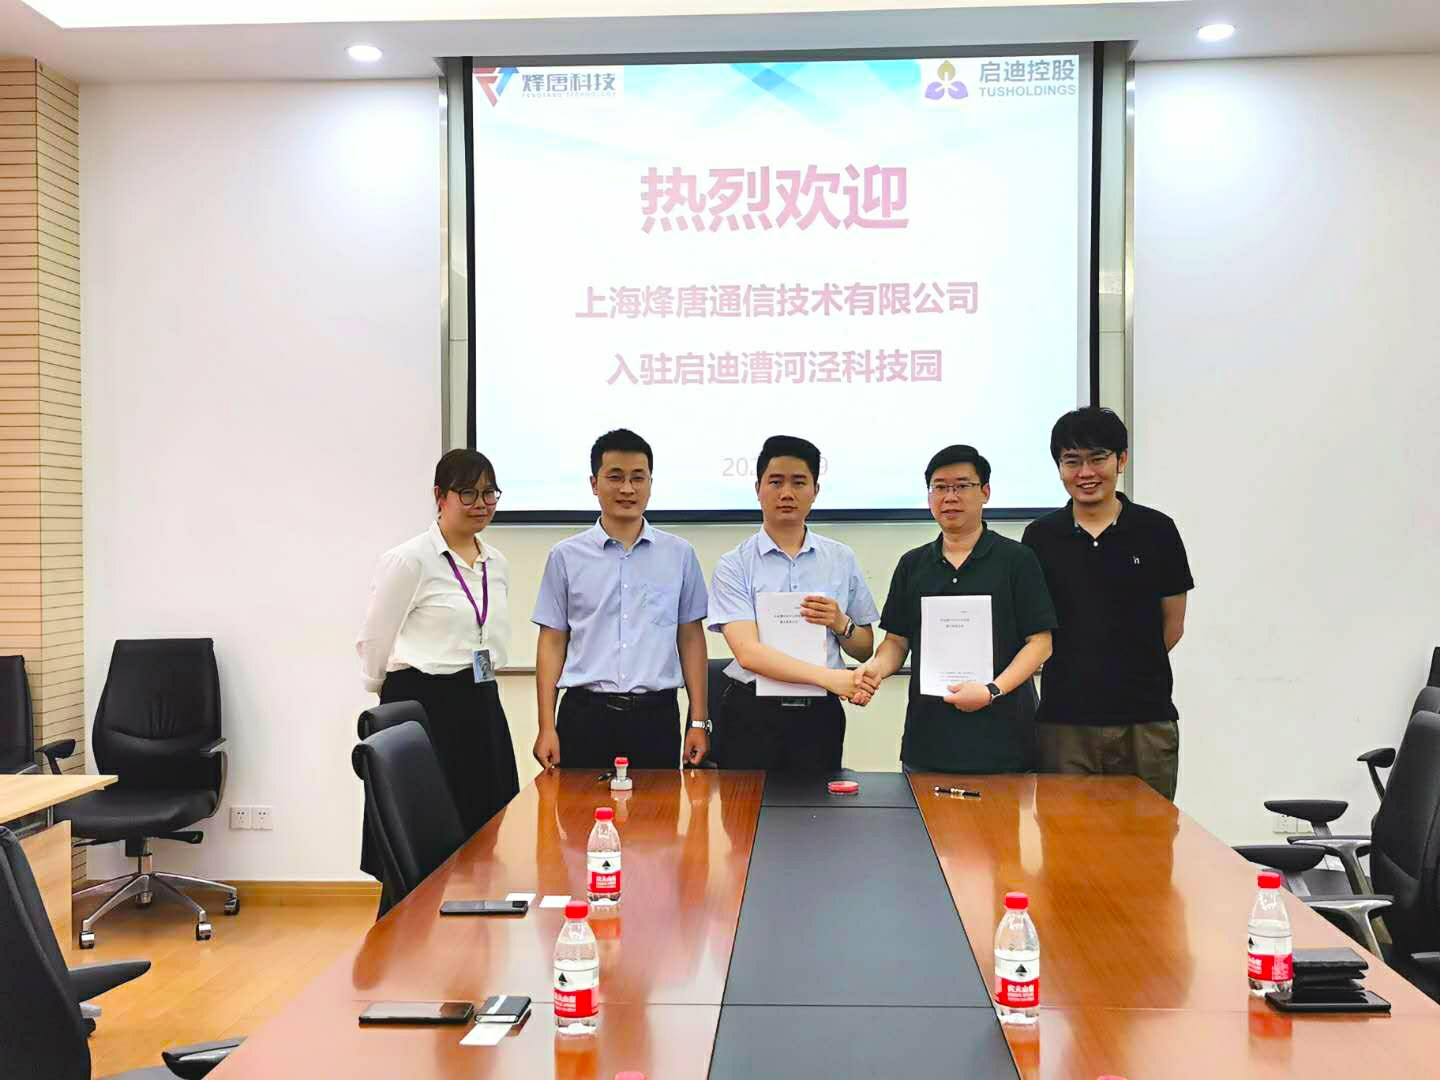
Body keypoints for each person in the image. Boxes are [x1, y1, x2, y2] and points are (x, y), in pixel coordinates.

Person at [1021, 407, 1193, 800]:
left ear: (1122, 460)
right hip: (1064, 721)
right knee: (1065, 833)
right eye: (1072, 461)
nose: (1085, 473)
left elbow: (1173, 626)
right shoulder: (1040, 537)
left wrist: (1123, 668)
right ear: (1059, 467)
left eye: (1098, 458)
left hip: (1145, 719)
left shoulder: (1157, 530)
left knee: (1148, 832)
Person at [355, 448, 520, 850]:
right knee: (423, 832)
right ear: (440, 496)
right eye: (468, 493)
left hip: (481, 699)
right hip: (424, 704)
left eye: (489, 493)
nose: (481, 503)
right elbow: (375, 638)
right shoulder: (409, 560)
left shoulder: (495, 562)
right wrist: (383, 695)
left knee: (485, 830)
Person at [855, 445, 1056, 773]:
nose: (950, 497)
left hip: (1005, 742)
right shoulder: (912, 564)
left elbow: (1040, 643)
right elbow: (896, 642)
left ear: (985, 492)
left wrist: (991, 691)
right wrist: (875, 670)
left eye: (962, 486)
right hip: (928, 743)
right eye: (940, 487)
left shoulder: (1017, 560)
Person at [531, 429, 710, 770]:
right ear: (594, 483)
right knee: (577, 807)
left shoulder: (680, 555)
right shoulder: (565, 556)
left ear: (650, 483)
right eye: (615, 477)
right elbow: (552, 642)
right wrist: (546, 726)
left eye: (638, 478)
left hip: (656, 717)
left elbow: (690, 638)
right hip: (584, 716)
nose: (627, 489)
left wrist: (698, 721)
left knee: (657, 807)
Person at [707, 435, 879, 771]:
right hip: (751, 713)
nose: (787, 493)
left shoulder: (841, 559)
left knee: (818, 804)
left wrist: (840, 623)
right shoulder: (734, 564)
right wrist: (830, 678)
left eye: (799, 482)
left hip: (820, 716)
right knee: (747, 805)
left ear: (815, 490)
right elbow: (748, 653)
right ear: (758, 488)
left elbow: (863, 649)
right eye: (775, 482)